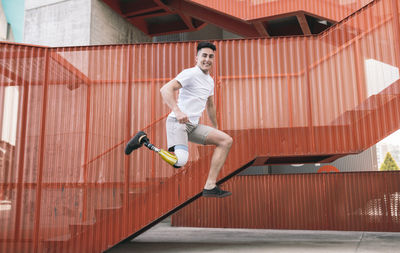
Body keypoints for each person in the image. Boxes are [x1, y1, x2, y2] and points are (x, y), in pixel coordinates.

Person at [160, 41, 233, 198]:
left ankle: (210, 186)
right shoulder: (190, 73)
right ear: (197, 58)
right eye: (204, 55)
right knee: (180, 161)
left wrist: (216, 126)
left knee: (225, 141)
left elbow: (211, 105)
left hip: (192, 126)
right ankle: (144, 141)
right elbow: (165, 89)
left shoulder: (210, 80)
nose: (207, 59)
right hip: (177, 123)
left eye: (211, 57)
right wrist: (177, 111)